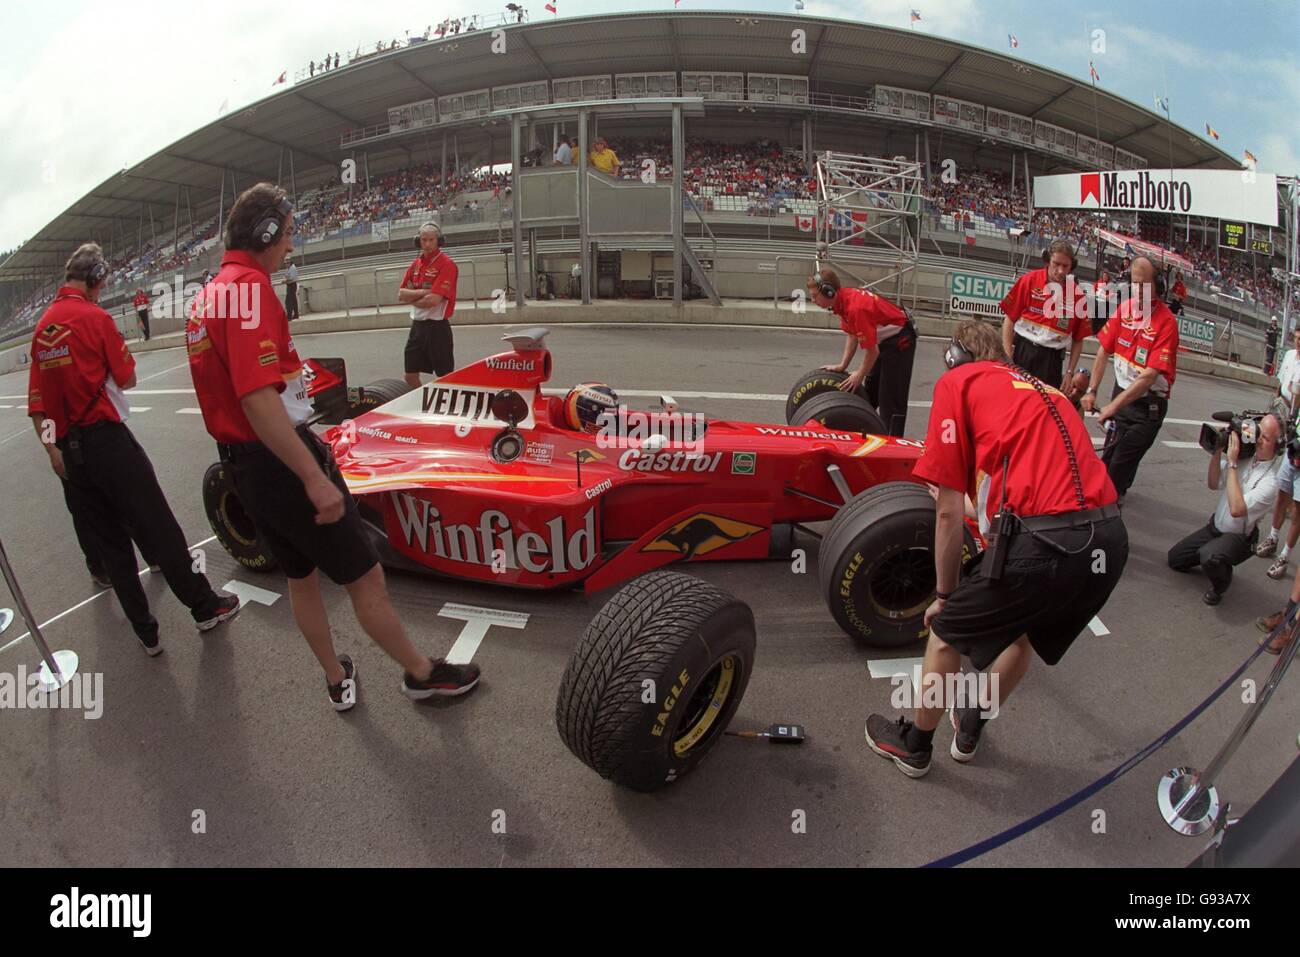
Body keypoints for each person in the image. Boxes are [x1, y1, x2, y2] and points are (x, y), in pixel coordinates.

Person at [187, 184, 479, 710]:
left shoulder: (211, 293)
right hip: (282, 464)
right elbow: (258, 399)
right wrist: (313, 477)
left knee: (301, 579)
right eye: (289, 236)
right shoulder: (249, 290)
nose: (291, 247)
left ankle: (334, 677)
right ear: (268, 234)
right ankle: (422, 675)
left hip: (244, 470)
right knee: (366, 577)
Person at [864, 319, 1127, 777]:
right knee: (1020, 631)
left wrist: (944, 597)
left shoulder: (959, 381)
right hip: (1107, 540)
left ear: (957, 357)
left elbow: (947, 513)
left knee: (946, 633)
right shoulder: (1047, 391)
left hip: (1046, 544)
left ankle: (915, 746)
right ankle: (970, 725)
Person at [28, 243, 240, 656]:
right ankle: (204, 606)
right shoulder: (94, 317)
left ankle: (147, 633)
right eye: (101, 284)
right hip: (108, 442)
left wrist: (53, 450)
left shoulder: (42, 330)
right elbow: (127, 378)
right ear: (94, 279)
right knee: (158, 525)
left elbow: (39, 406)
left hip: (69, 455)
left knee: (112, 546)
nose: (101, 292)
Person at [1081, 256, 1180, 499]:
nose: (1139, 289)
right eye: (1135, 283)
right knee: (1108, 464)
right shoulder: (1124, 310)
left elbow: (1148, 378)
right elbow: (1104, 349)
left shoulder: (1167, 323)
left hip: (1147, 407)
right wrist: (1092, 390)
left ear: (1157, 285)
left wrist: (1112, 406)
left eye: (1144, 283)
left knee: (1116, 471)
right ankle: (1113, 501)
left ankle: (1108, 513)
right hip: (1122, 396)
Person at [1168, 415, 1281, 605]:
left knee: (1210, 556)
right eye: (1259, 433)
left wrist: (1232, 464)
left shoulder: (1270, 482)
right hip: (1215, 528)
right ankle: (1214, 558)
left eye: (1267, 438)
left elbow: (1237, 509)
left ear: (1278, 447)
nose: (1259, 439)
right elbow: (1213, 483)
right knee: (1175, 559)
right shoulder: (1245, 454)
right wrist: (1218, 449)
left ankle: (1221, 584)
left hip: (1238, 538)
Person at [807, 267, 916, 436]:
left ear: (829, 292)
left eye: (815, 296)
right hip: (883, 341)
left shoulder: (856, 308)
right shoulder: (843, 301)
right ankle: (865, 434)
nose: (812, 299)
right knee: (870, 393)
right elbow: (852, 336)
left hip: (900, 340)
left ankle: (893, 445)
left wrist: (859, 374)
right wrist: (842, 365)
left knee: (890, 400)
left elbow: (873, 352)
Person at [999, 240, 1089, 394]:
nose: (1060, 271)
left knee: (1044, 409)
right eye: (1056, 264)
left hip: (1052, 361)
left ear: (1072, 266)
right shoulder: (1029, 281)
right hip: (1023, 352)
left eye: (1065, 266)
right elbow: (1009, 319)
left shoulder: (1077, 295)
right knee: (1014, 399)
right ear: (1048, 260)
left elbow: (1078, 339)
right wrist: (1007, 356)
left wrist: (1069, 373)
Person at [1256, 325, 1300, 574]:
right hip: (1293, 436)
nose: (1298, 344)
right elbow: (1283, 388)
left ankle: (1285, 555)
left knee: (1298, 504)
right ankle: (1273, 537)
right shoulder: (1291, 357)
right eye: (1296, 339)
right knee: (1282, 493)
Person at [397, 222, 459, 389]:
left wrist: (413, 296)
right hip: (417, 327)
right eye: (424, 240)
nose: (427, 244)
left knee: (445, 376)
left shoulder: (447, 265)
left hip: (437, 328)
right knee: (409, 375)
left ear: (439, 241)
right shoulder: (415, 264)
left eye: (431, 240)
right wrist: (424, 292)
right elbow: (401, 294)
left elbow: (433, 301)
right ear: (418, 241)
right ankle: (424, 401)